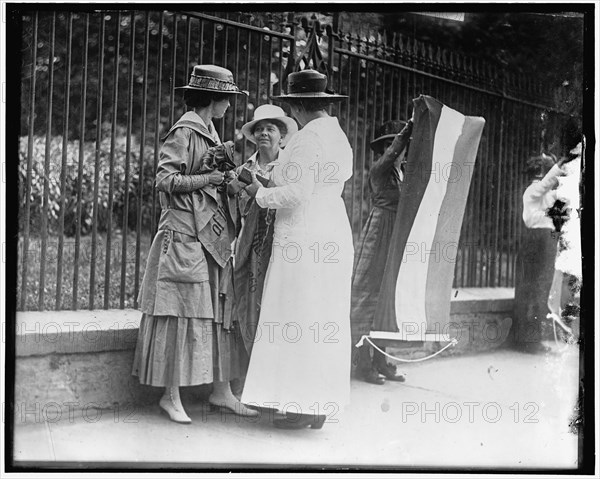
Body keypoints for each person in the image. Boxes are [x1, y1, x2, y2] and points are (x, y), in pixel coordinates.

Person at [132, 64, 258, 423]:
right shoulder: (185, 131)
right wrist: (211, 177)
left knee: (219, 312)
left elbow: (213, 183)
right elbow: (164, 179)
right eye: (228, 98)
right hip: (184, 234)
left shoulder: (211, 132)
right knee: (179, 311)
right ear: (213, 98)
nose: (230, 105)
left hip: (210, 235)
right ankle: (170, 397)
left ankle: (222, 392)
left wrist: (234, 182)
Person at [240, 70, 354, 430]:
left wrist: (258, 194)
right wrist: (268, 179)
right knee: (322, 318)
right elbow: (312, 182)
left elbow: (297, 193)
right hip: (331, 227)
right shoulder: (337, 136)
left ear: (298, 106)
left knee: (298, 315)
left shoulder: (307, 139)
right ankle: (317, 405)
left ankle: (302, 405)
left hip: (304, 235)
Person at [228, 104, 298, 360]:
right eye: (259, 129)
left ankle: (273, 366)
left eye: (270, 128)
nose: (264, 134)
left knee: (276, 301)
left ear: (281, 135)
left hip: (279, 241)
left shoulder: (290, 167)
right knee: (247, 297)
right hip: (249, 242)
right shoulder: (243, 170)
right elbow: (232, 209)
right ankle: (248, 363)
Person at [350, 119, 413, 384]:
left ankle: (380, 359)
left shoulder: (406, 175)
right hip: (378, 233)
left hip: (395, 236)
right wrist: (408, 130)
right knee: (368, 295)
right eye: (388, 145)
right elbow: (390, 156)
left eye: (396, 144)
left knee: (387, 297)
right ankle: (363, 364)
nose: (394, 150)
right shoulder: (379, 171)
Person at [509, 147, 578, 354]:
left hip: (546, 242)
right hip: (535, 241)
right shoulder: (533, 191)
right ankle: (526, 342)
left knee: (539, 292)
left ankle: (532, 341)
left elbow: (565, 191)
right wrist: (560, 165)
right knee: (529, 291)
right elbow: (548, 184)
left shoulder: (548, 194)